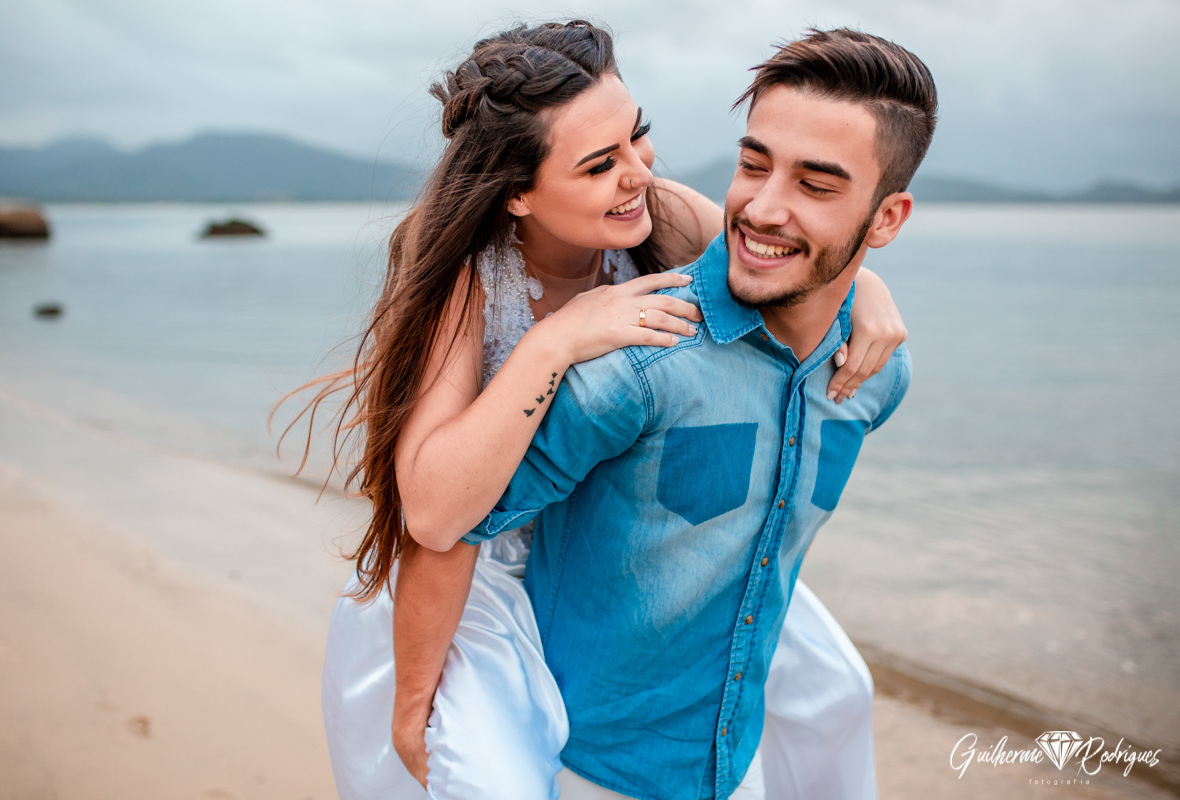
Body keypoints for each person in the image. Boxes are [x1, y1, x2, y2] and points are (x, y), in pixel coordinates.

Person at [295, 21, 906, 800]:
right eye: (599, 165)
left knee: (834, 695)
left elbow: (784, 251)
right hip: (483, 570)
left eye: (636, 137)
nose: (637, 174)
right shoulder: (474, 284)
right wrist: (555, 343)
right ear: (518, 192)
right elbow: (436, 515)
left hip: (627, 543)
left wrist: (868, 288)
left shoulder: (659, 211)